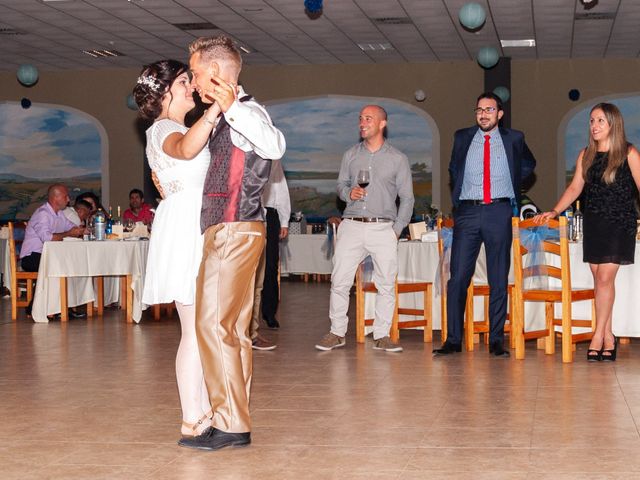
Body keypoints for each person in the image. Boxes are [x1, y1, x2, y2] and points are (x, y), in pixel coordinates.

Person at [179, 36, 286, 452]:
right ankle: (234, 416)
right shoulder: (223, 116)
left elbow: (275, 145)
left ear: (217, 74)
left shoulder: (246, 111)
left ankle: (230, 423)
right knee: (234, 329)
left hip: (234, 228)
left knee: (213, 325)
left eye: (196, 73)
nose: (192, 82)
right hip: (233, 229)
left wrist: (232, 106)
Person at [133, 59, 221, 442]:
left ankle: (201, 412)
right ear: (166, 92)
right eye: (185, 81)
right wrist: (218, 107)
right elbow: (184, 151)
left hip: (191, 222)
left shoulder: (176, 128)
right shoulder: (165, 129)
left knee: (201, 329)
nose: (192, 87)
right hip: (185, 228)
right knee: (194, 330)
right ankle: (191, 419)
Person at [534, 103, 640, 362]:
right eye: (592, 121)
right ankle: (608, 335)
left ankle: (598, 335)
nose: (594, 125)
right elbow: (574, 189)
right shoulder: (586, 155)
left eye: (600, 121)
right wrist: (554, 211)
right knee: (600, 281)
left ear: (613, 124)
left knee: (604, 279)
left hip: (620, 222)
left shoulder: (628, 153)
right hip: (594, 223)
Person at [433, 92, 536, 358]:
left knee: (498, 278)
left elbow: (528, 164)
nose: (483, 114)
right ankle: (453, 339)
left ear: (499, 114)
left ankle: (496, 341)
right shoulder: (462, 137)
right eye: (479, 109)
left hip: (499, 211)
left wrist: (511, 180)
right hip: (467, 212)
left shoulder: (515, 138)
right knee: (458, 279)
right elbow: (453, 168)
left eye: (489, 109)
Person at [315, 105, 414, 353]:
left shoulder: (398, 158)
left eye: (368, 118)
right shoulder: (350, 155)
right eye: (360, 118)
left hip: (384, 229)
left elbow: (408, 198)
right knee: (339, 281)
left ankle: (382, 335)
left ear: (383, 124)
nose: (362, 122)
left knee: (386, 284)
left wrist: (397, 229)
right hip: (351, 225)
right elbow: (340, 185)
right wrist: (349, 193)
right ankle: (337, 332)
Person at [20, 184, 86, 317]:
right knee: (56, 266)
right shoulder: (43, 214)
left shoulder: (59, 214)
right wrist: (69, 233)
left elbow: (72, 227)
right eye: (65, 196)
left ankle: (58, 307)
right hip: (32, 256)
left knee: (70, 264)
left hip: (47, 255)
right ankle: (49, 309)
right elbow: (47, 238)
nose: (68, 199)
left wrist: (83, 230)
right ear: (56, 198)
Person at [250, 159, 291, 351]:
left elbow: (281, 190)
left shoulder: (274, 160)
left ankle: (269, 313)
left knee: (270, 266)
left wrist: (284, 221)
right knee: (251, 267)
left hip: (270, 214)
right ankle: (249, 322)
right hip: (249, 212)